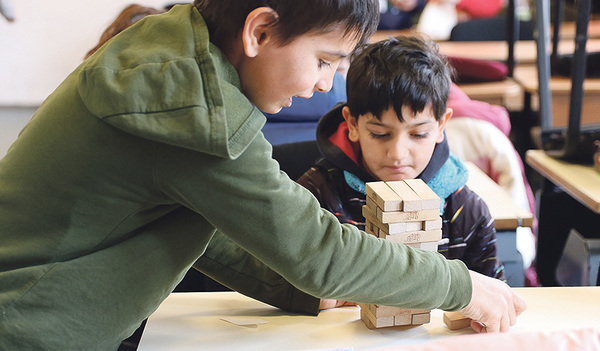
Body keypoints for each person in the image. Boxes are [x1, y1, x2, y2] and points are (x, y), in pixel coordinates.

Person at [0, 1, 525, 349]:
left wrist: (297, 291)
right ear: (260, 30)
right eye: (323, 61)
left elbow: (201, 228)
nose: (325, 85)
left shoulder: (181, 55)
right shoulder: (193, 106)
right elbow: (321, 251)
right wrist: (460, 286)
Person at [297, 35, 505, 281]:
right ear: (352, 124)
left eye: (418, 134)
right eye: (380, 134)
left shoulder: (466, 212)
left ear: (441, 126)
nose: (397, 154)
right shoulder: (315, 198)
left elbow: (491, 297)